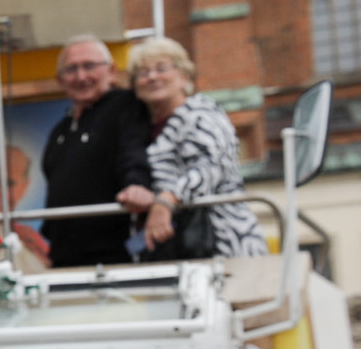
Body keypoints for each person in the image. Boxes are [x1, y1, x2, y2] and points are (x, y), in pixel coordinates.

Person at [114, 36, 269, 260]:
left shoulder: (200, 113)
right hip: (174, 249)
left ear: (184, 76)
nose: (152, 77)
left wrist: (167, 199)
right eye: (143, 73)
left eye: (161, 68)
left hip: (222, 244)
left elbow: (212, 166)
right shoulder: (140, 128)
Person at [39, 35, 154, 267]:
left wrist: (137, 184)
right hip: (63, 257)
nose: (81, 76)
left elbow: (133, 150)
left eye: (89, 66)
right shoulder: (60, 129)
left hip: (113, 256)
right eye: (71, 69)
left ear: (111, 71)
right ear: (59, 79)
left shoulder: (126, 106)